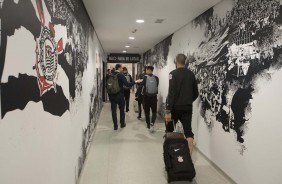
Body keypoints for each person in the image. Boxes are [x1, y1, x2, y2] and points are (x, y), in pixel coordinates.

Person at [165, 54, 199, 156]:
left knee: (170, 130)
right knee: (188, 132)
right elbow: (196, 93)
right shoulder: (191, 74)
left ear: (176, 61)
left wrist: (168, 111)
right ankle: (189, 159)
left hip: (175, 108)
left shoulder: (173, 74)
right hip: (187, 107)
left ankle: (171, 156)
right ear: (185, 62)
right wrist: (188, 101)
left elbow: (172, 93)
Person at [108, 64, 142, 130]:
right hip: (120, 95)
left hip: (112, 95)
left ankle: (115, 126)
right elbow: (127, 84)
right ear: (120, 68)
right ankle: (122, 124)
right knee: (121, 110)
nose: (122, 70)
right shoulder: (121, 75)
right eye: (121, 69)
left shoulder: (111, 75)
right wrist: (136, 81)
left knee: (113, 111)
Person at [139, 66, 159, 132]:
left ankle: (148, 124)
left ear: (147, 70)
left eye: (146, 70)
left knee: (147, 111)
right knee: (154, 111)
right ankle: (152, 122)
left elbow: (141, 86)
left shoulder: (144, 77)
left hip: (146, 97)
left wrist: (137, 95)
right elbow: (157, 86)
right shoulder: (156, 78)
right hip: (154, 97)